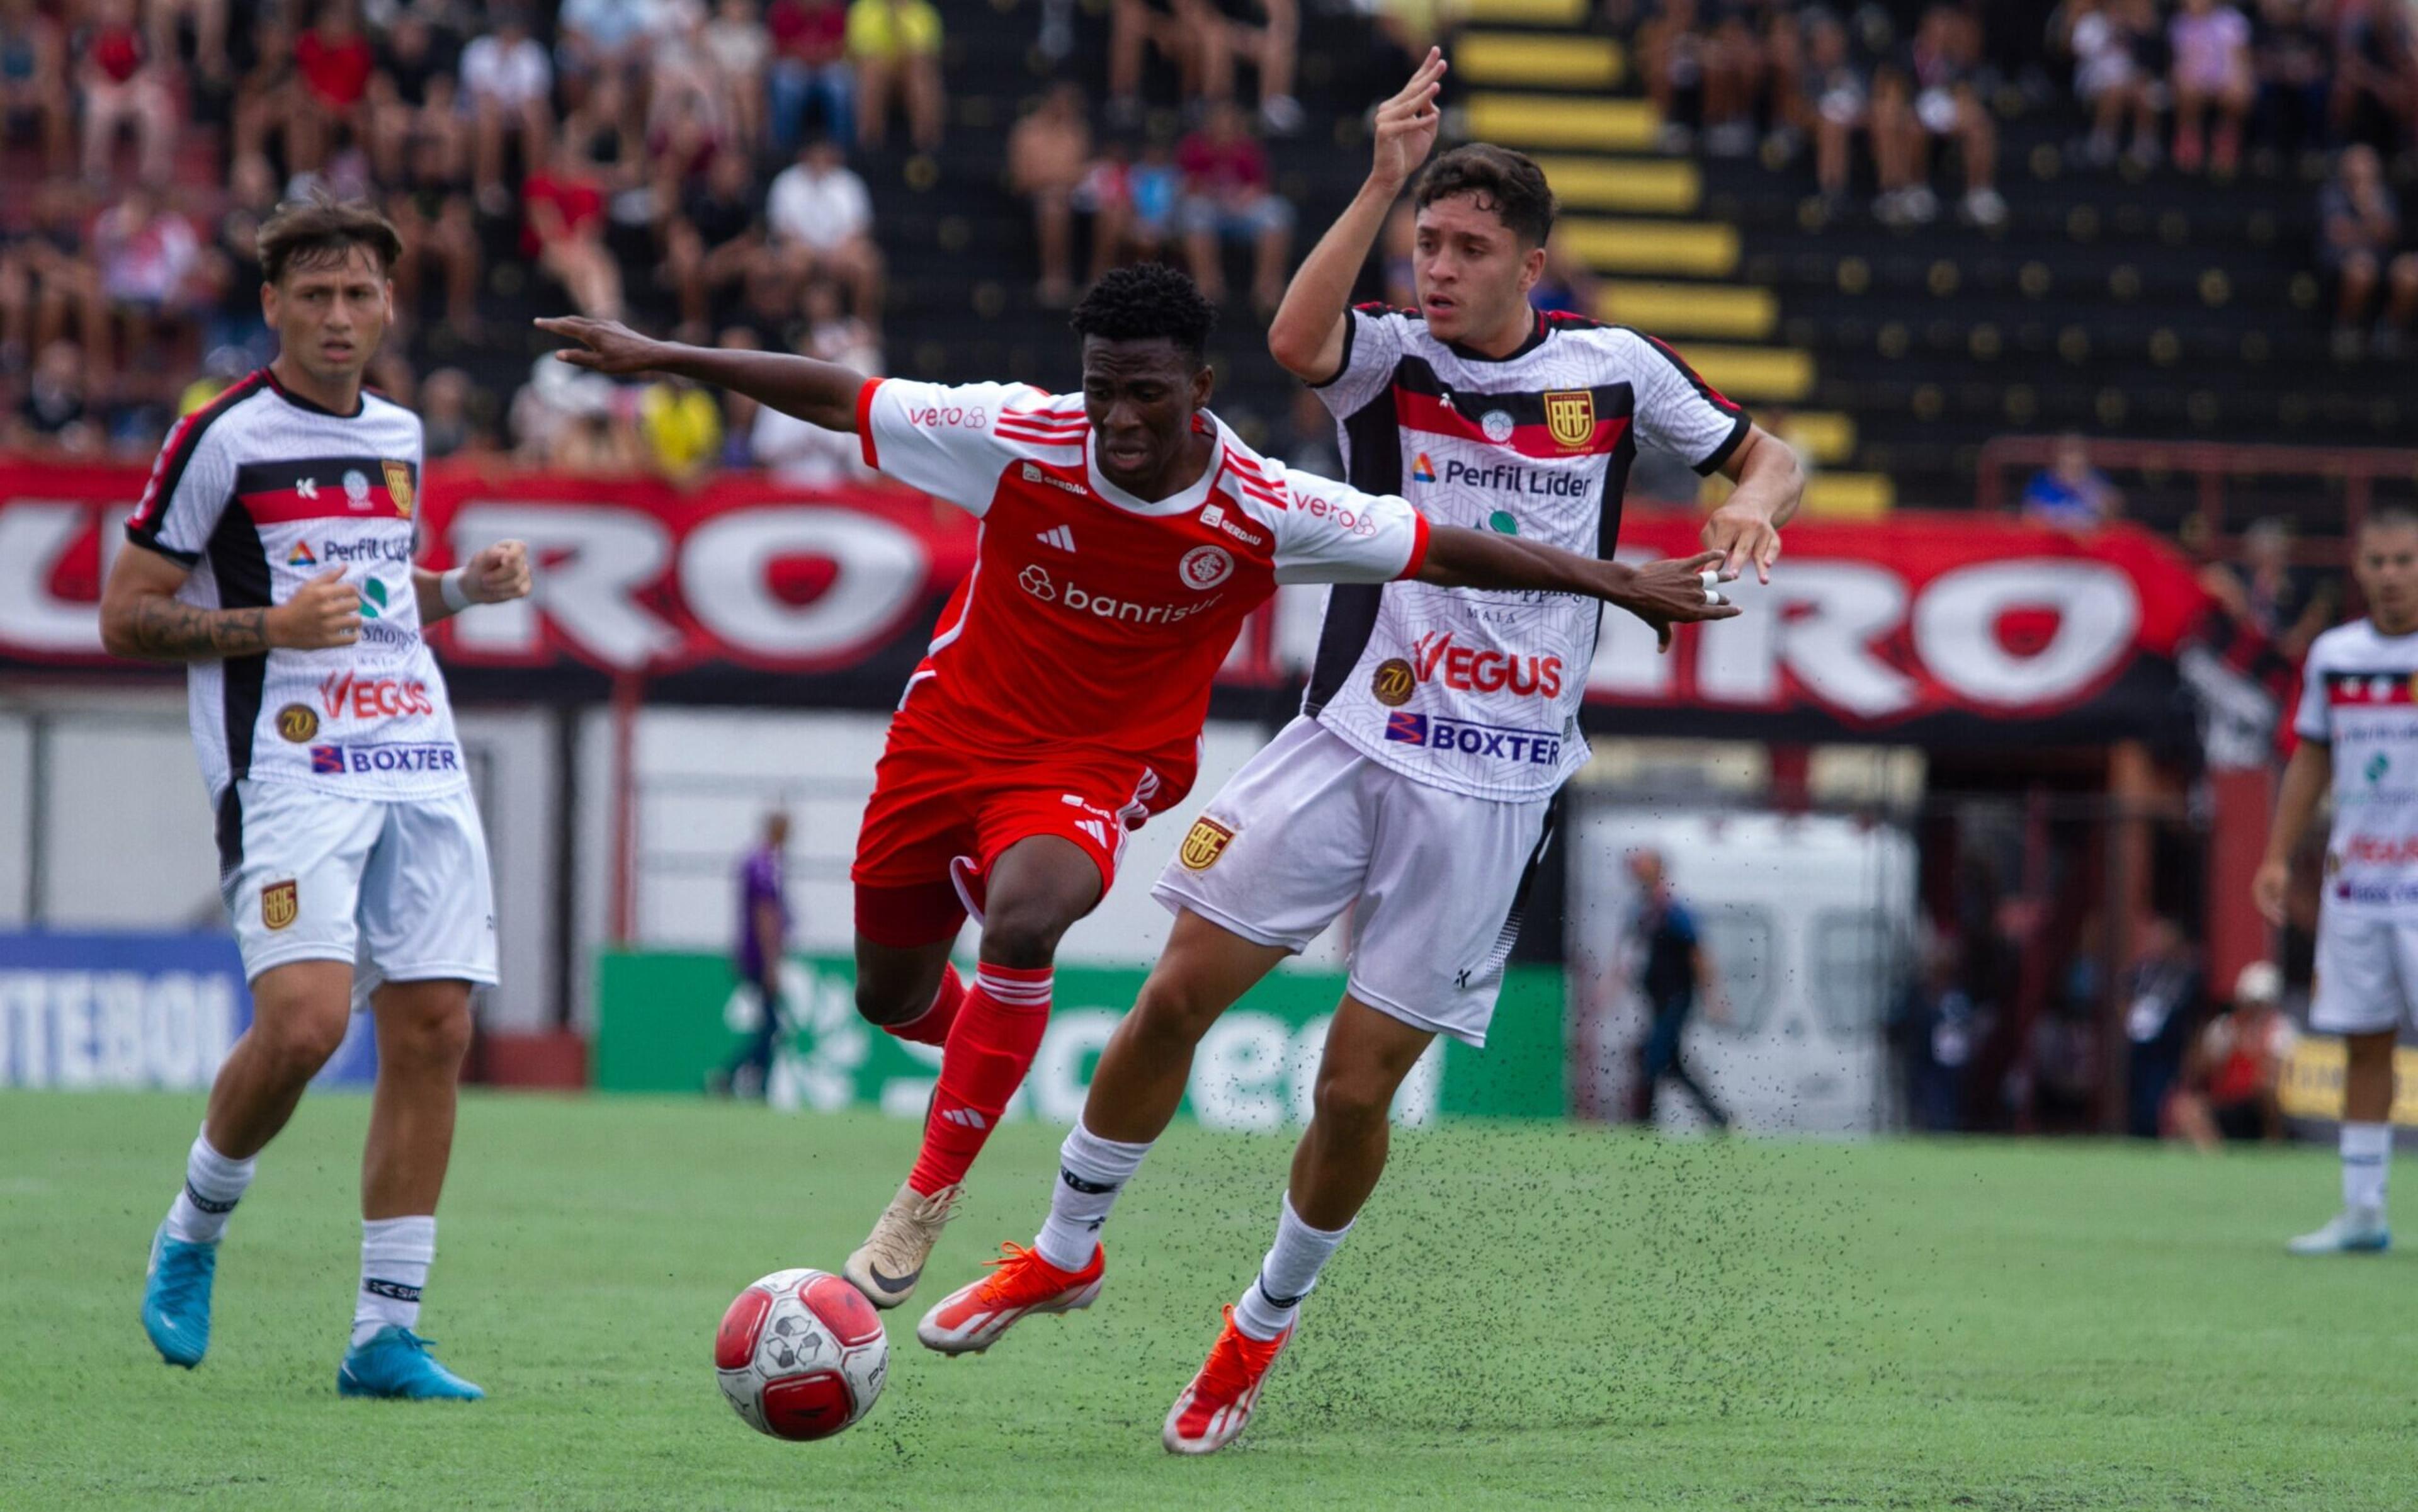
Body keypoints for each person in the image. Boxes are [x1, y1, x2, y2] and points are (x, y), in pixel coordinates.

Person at [536, 257, 1744, 1316]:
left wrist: (1614, 580)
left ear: (1200, 391)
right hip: (946, 740)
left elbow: (1440, 544)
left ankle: (922, 1203)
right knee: (888, 993)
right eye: (1101, 385)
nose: (1115, 415)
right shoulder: (1016, 434)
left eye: (1145, 392)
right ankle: (986, 1056)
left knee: (1029, 912)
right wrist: (661, 359)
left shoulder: (1269, 506)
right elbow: (836, 394)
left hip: (1094, 767)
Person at [909, 52, 1802, 1455]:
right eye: (1424, 243)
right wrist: (1383, 171)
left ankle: (1254, 1335)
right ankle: (1066, 1246)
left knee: (1351, 1087)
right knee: (1167, 999)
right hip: (1344, 741)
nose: (1436, 267)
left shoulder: (1611, 373)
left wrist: (1754, 503)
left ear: (1531, 260)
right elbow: (1289, 343)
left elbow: (1771, 455)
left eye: (1466, 247)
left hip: (1495, 788)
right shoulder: (1389, 353)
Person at [101, 198, 534, 1398]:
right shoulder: (220, 439)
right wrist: (272, 627)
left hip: (415, 751)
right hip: (290, 766)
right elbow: (126, 614)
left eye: (359, 295)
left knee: (436, 1027)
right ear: (273, 306)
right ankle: (192, 1230)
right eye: (315, 295)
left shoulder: (399, 430)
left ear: (390, 304)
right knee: (303, 1027)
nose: (339, 317)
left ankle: (384, 1335)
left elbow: (378, 600)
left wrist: (459, 588)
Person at [2258, 504, 2418, 1255]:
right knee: (2364, 1044)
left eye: (2406, 560)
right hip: (2356, 888)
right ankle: (2363, 1211)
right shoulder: (2333, 655)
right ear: (2357, 567)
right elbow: (2311, 757)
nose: (2392, 575)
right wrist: (2276, 855)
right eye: (2378, 561)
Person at [1625, 848, 1733, 1132]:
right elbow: (1629, 951)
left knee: (1653, 1056)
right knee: (1672, 1064)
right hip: (1656, 998)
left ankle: (1642, 1125)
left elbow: (1699, 954)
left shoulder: (1674, 911)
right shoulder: (1643, 909)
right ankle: (1721, 1120)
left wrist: (1713, 996)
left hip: (1677, 998)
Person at [2171, 960, 2298, 1148]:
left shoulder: (2281, 1030)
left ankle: (2274, 1145)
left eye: (2260, 1004)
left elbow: (2283, 1073)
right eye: (2250, 1003)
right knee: (2184, 1107)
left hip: (2260, 1107)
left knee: (2268, 1086)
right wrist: (2217, 1050)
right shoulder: (2225, 1028)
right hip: (2228, 1104)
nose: (2254, 1011)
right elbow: (2196, 1071)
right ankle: (2215, 1157)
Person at [715, 810, 793, 1098]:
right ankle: (734, 1078)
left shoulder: (756, 861)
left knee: (768, 1027)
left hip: (752, 956)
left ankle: (743, 1081)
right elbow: (766, 916)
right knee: (772, 1027)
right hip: (760, 959)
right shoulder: (765, 865)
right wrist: (772, 964)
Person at [2120, 916, 2205, 1139]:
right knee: (2137, 1094)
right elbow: (2124, 994)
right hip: (2141, 1046)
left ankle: (2160, 1135)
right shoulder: (2144, 971)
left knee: (2162, 1097)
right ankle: (2138, 1135)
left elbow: (2193, 1015)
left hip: (2167, 1046)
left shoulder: (2185, 974)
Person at [2020, 434, 2123, 530]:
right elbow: (2028, 519)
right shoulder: (2040, 483)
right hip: (2052, 544)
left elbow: (2113, 520)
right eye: (2068, 452)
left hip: (2088, 545)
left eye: (2078, 453)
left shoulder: (2099, 482)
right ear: (2057, 455)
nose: (2073, 459)